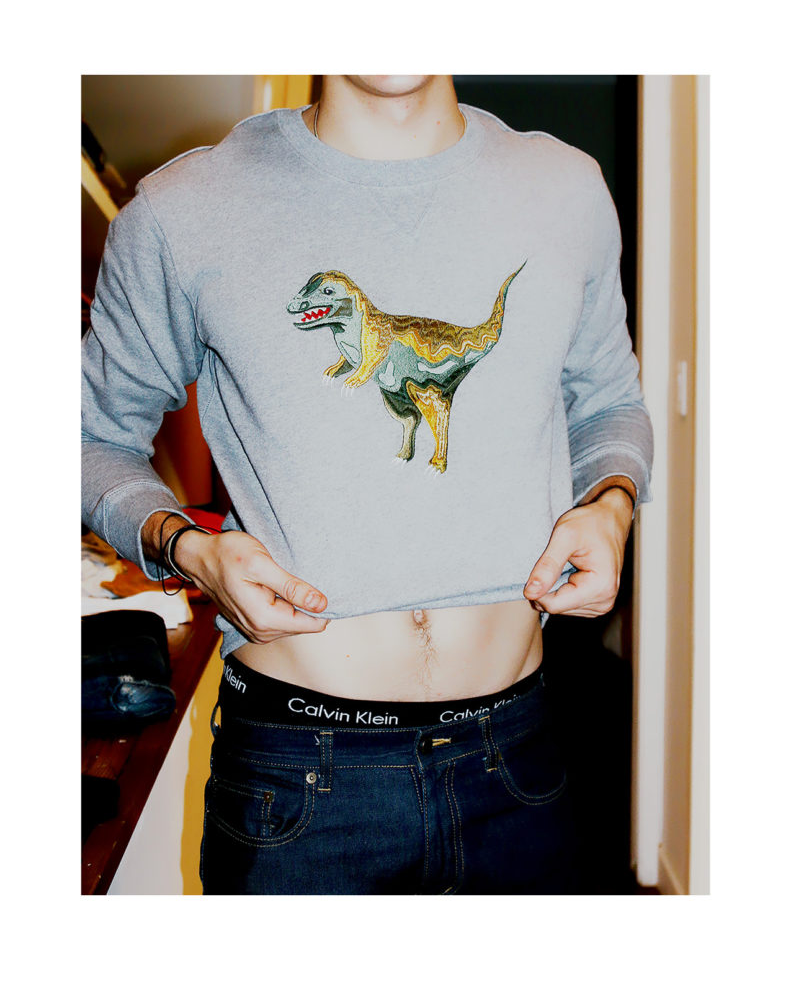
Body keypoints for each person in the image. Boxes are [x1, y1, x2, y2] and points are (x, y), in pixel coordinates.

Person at [81, 74, 653, 894]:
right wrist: (189, 549)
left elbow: (608, 403)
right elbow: (88, 437)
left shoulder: (565, 186)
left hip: (519, 758)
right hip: (300, 776)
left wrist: (609, 504)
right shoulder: (184, 208)